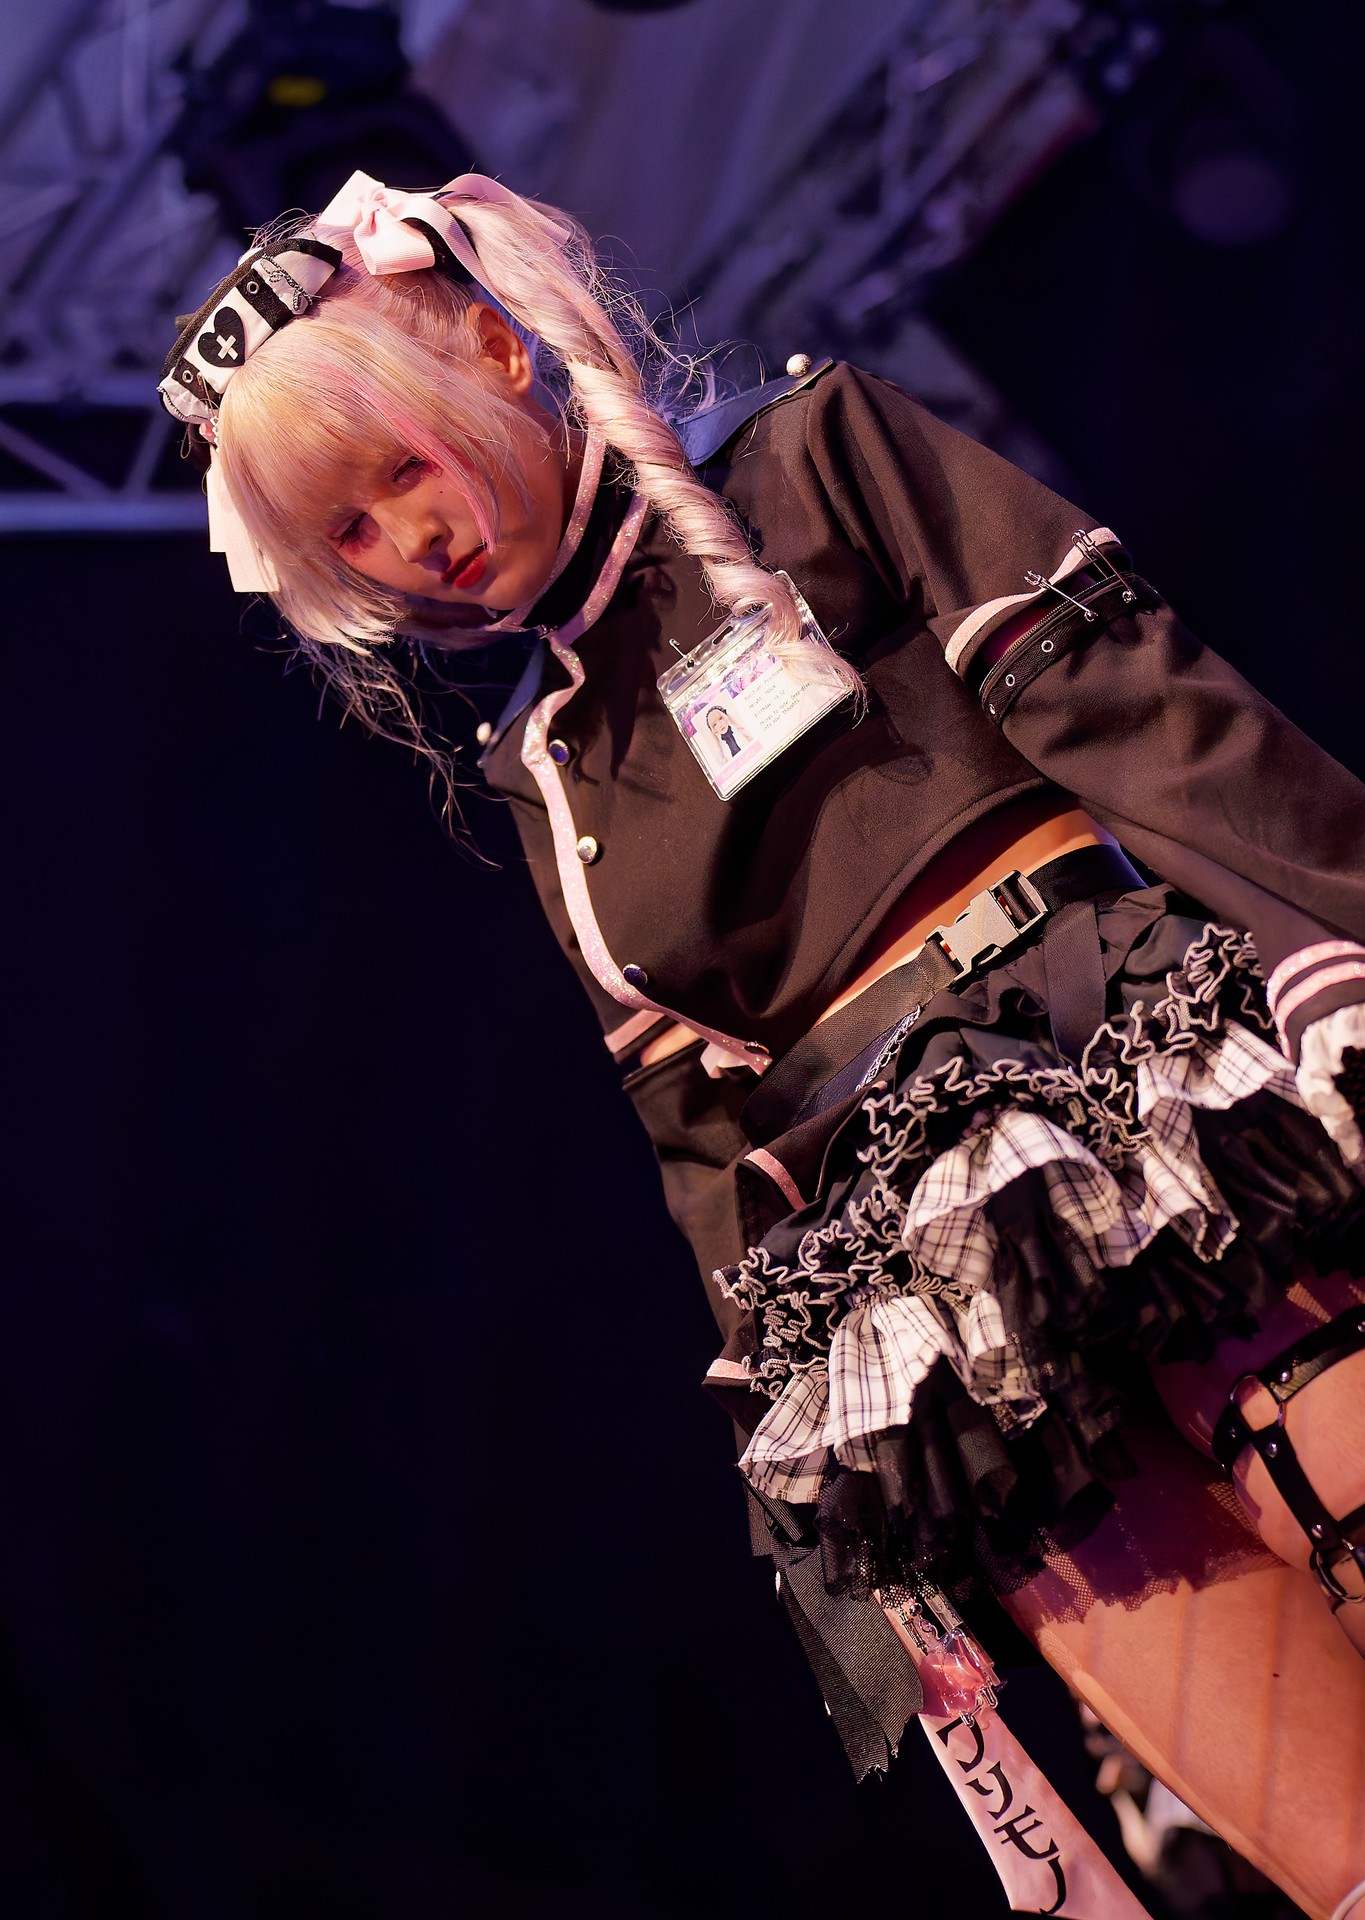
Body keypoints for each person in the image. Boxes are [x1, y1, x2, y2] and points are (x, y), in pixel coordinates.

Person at [160, 170, 1365, 1919]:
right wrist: (818, 1488)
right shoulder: (541, 769)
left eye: (402, 466)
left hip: (1141, 1108)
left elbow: (1148, 716)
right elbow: (706, 1158)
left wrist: (1341, 937)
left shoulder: (811, 457)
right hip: (922, 1317)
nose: (406, 539)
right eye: (346, 529)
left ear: (496, 350)